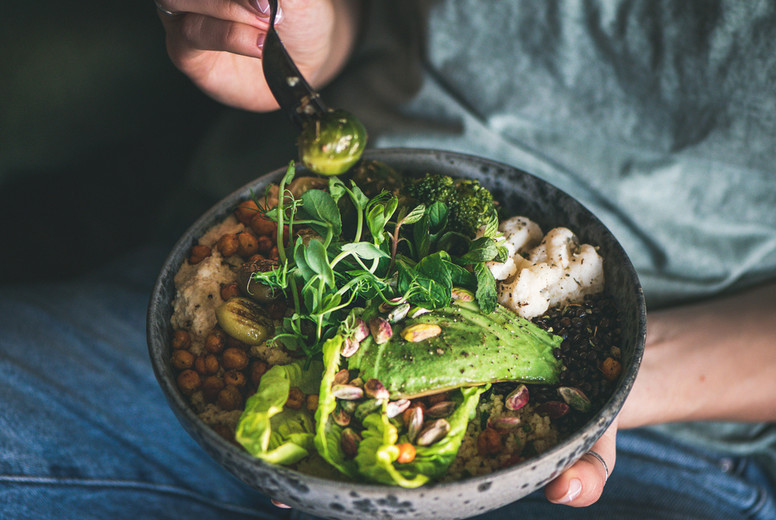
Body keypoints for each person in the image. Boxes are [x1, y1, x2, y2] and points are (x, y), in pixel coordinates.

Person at [1, 1, 774, 519]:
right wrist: (309, 30)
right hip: (306, 232)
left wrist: (609, 385)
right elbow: (372, 24)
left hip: (670, 427)